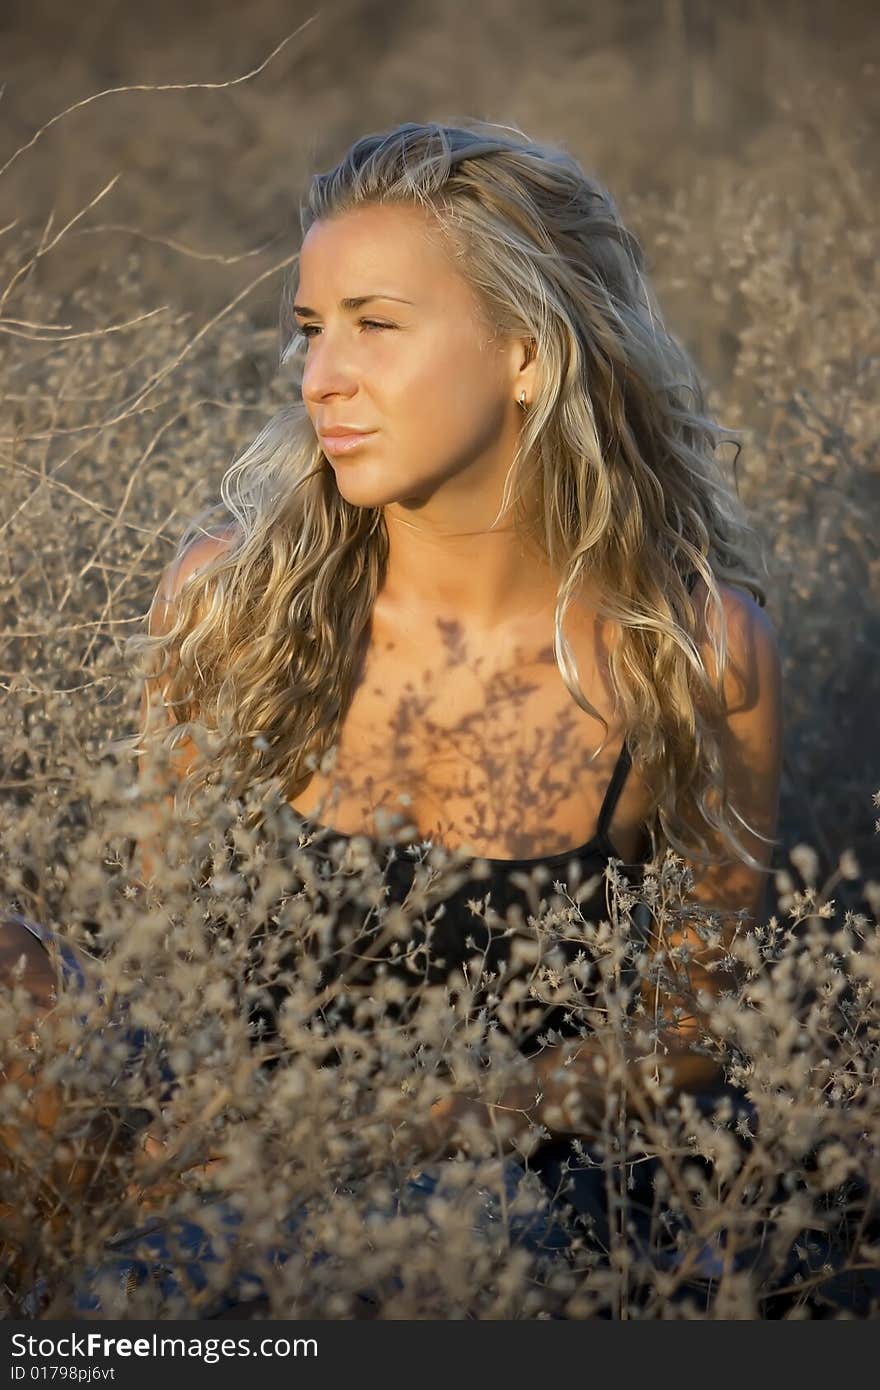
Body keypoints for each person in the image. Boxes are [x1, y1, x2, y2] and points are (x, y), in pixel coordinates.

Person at [2, 119, 783, 1316]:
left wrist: (376, 1129)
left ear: (526, 354)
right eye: (310, 329)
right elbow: (168, 944)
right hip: (236, 1111)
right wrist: (206, 1119)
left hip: (500, 1172)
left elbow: (688, 1031)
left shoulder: (687, 653)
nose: (319, 376)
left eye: (375, 325)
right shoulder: (229, 599)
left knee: (175, 1293)